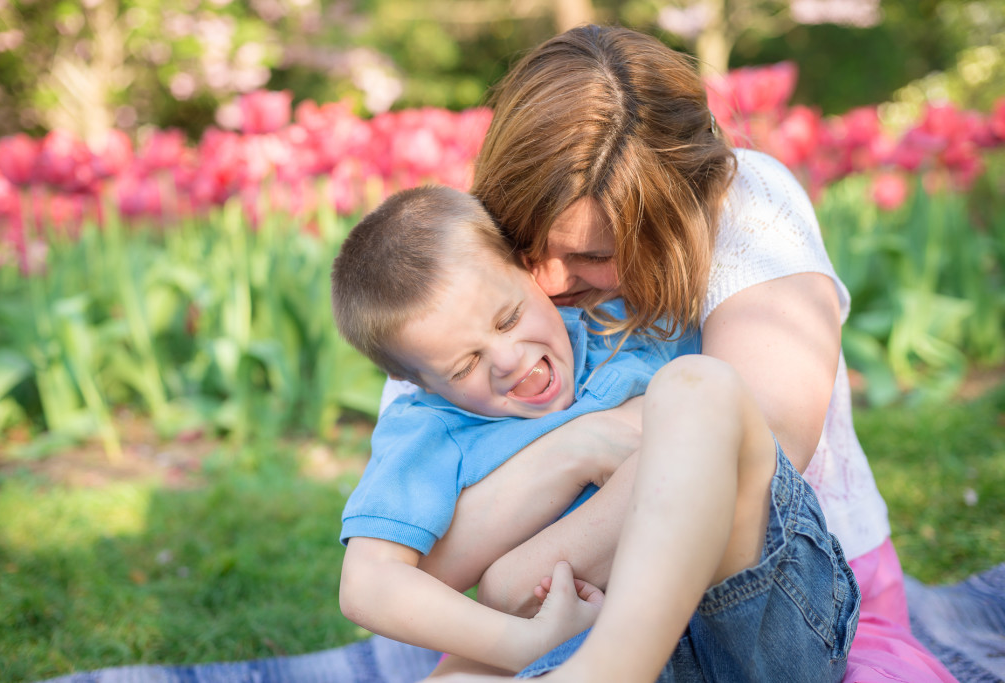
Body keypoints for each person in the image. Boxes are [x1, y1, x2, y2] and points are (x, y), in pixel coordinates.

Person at [402, 24, 956, 683]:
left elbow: (763, 438)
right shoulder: (460, 261)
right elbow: (417, 546)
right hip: (562, 623)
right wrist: (578, 448)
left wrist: (518, 572)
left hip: (756, 606)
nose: (549, 283)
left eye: (594, 256)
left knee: (699, 390)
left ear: (683, 209)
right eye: (527, 242)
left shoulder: (746, 205)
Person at [331, 185, 857, 680]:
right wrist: (515, 642)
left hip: (757, 620)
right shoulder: (431, 428)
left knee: (698, 387)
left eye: (509, 317)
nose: (509, 360)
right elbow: (366, 583)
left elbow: (755, 428)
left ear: (530, 273)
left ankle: (612, 667)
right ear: (411, 381)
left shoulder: (617, 325)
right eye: (465, 364)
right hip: (580, 644)